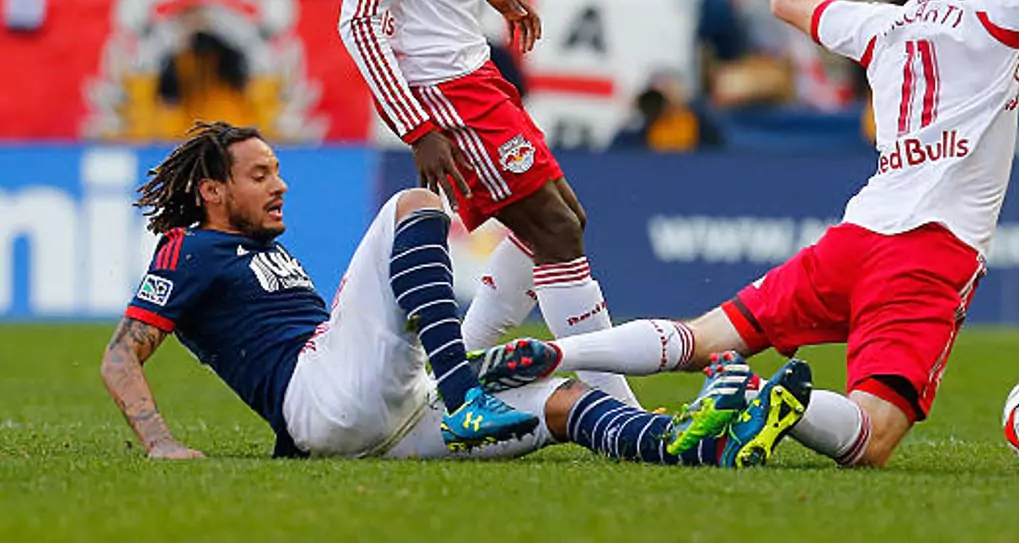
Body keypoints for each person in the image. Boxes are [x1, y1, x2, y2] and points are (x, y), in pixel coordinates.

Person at [474, 0, 1019, 469]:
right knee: (873, 435)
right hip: (929, 252)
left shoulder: (886, 26)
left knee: (705, 335)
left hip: (856, 236)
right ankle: (769, 395)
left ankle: (558, 353)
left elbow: (788, 0)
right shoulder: (998, 11)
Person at [100, 120, 776, 467]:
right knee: (412, 203)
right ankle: (468, 386)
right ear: (213, 191)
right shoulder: (192, 248)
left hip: (388, 413)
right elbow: (119, 356)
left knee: (566, 379)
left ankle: (685, 440)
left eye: (277, 170)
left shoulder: (260, 251)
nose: (279, 185)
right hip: (323, 395)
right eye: (259, 174)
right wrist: (159, 442)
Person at [337, 0, 636, 405]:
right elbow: (357, 22)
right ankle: (618, 411)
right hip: (441, 86)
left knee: (561, 222)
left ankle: (456, 382)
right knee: (557, 229)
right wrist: (417, 126)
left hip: (473, 63)